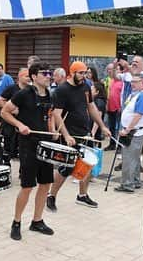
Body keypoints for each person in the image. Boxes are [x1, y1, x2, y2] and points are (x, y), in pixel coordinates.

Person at [1, 62, 56, 241]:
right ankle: (16, 222)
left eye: (50, 73)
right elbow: (5, 112)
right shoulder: (23, 94)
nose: (48, 75)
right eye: (44, 73)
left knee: (45, 184)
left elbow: (49, 115)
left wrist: (53, 130)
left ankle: (37, 220)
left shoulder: (49, 95)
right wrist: (20, 125)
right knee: (27, 186)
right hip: (28, 145)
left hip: (45, 145)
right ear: (34, 76)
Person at [47, 61, 111, 211]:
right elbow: (56, 114)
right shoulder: (62, 90)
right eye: (80, 73)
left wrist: (102, 126)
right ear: (72, 72)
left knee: (88, 164)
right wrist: (67, 136)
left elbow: (91, 107)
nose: (83, 76)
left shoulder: (86, 87)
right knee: (66, 168)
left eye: (85, 73)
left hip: (85, 133)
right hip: (69, 135)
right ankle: (51, 195)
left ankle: (82, 195)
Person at [114, 74, 143, 193]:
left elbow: (138, 115)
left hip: (134, 132)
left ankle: (127, 184)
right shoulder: (138, 95)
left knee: (129, 158)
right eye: (131, 82)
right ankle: (135, 181)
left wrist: (127, 129)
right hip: (135, 131)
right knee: (134, 158)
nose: (132, 84)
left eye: (135, 82)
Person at [105, 65, 123, 150]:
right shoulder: (112, 81)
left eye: (116, 70)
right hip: (111, 107)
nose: (114, 71)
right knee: (111, 127)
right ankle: (112, 144)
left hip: (118, 108)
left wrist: (121, 106)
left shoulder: (123, 82)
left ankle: (119, 145)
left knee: (119, 128)